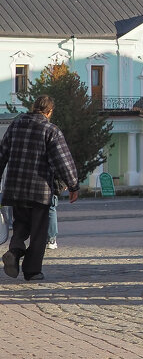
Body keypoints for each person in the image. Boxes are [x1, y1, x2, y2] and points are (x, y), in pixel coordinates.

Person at [0, 95, 80, 281]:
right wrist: (73, 184)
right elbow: (63, 161)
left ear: (33, 107)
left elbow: (2, 153)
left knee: (20, 225)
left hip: (15, 188)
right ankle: (32, 270)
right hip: (40, 190)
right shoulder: (50, 130)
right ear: (49, 111)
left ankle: (15, 250)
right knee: (38, 231)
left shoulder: (16, 125)